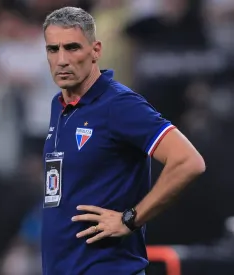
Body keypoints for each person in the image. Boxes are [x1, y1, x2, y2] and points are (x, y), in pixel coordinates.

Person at [40, 7, 205, 275]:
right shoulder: (58, 107)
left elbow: (188, 161)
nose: (62, 60)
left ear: (96, 50)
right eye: (53, 49)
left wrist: (130, 219)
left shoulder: (118, 104)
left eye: (72, 48)